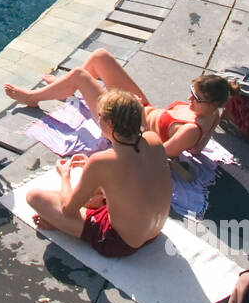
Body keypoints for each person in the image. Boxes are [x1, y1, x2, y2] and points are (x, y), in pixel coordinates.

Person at [4, 49, 234, 158]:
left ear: (213, 104)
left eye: (196, 98)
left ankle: (34, 98)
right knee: (100, 57)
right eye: (190, 92)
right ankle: (67, 86)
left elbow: (155, 158)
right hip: (141, 107)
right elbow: (200, 145)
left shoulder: (191, 130)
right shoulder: (212, 114)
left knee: (80, 76)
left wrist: (126, 132)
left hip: (127, 124)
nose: (189, 99)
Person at [22, 89, 169, 257]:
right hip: (154, 232)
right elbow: (134, 175)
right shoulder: (153, 139)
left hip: (120, 243)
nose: (97, 120)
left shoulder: (102, 161)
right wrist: (97, 173)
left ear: (111, 124)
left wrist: (65, 176)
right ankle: (68, 222)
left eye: (100, 116)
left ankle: (62, 226)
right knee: (96, 195)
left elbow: (68, 209)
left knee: (34, 197)